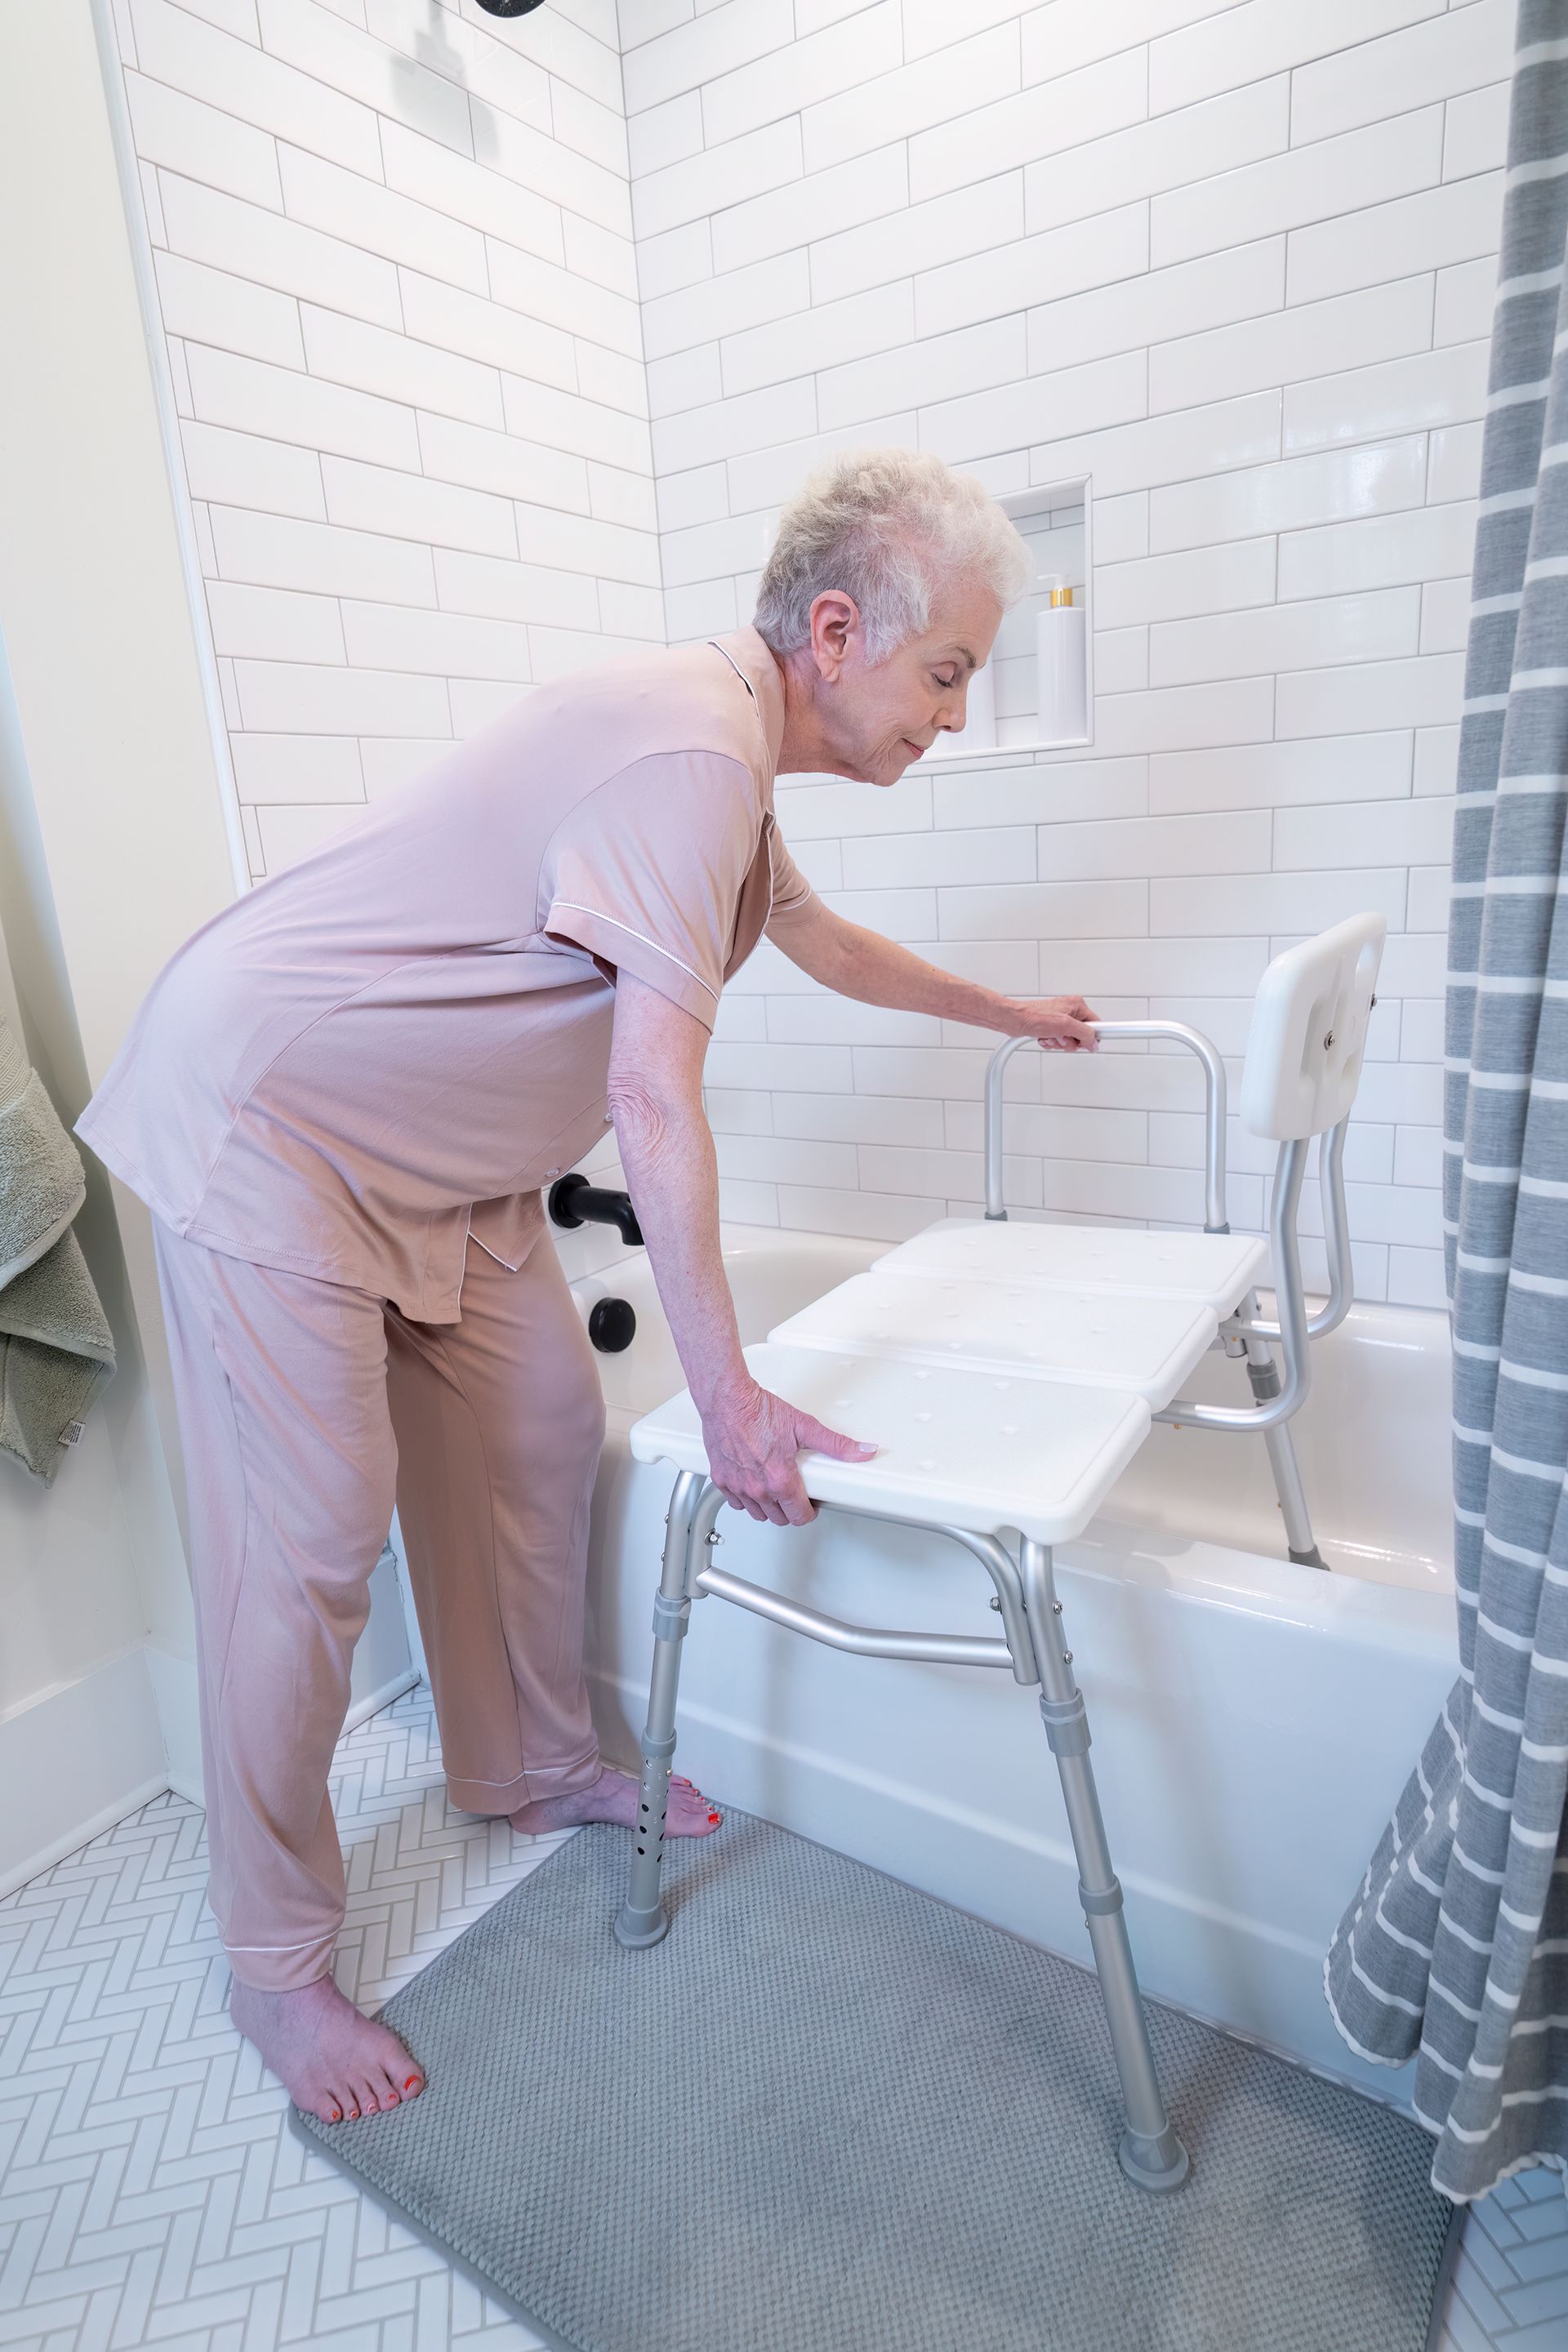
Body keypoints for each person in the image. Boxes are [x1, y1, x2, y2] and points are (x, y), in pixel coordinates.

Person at [76, 446, 1100, 2129]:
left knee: (548, 1429)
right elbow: (648, 1098)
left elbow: (829, 947)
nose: (954, 716)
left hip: (445, 1169)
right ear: (834, 634)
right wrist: (729, 1395)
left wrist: (1014, 1017)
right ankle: (273, 1963)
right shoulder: (692, 752)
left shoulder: (734, 777)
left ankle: (528, 1762)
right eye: (948, 673)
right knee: (315, 1531)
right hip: (278, 1123)